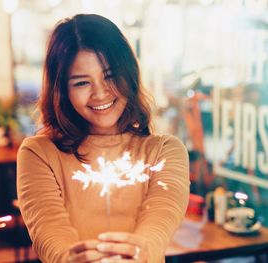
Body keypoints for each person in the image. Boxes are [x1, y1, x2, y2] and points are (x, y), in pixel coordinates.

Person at [17, 14, 190, 263]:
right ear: (62, 90)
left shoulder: (164, 151)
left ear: (129, 75)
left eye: (109, 76)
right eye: (81, 83)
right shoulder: (39, 153)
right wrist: (71, 259)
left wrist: (138, 253)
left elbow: (159, 223)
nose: (100, 93)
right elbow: (51, 236)